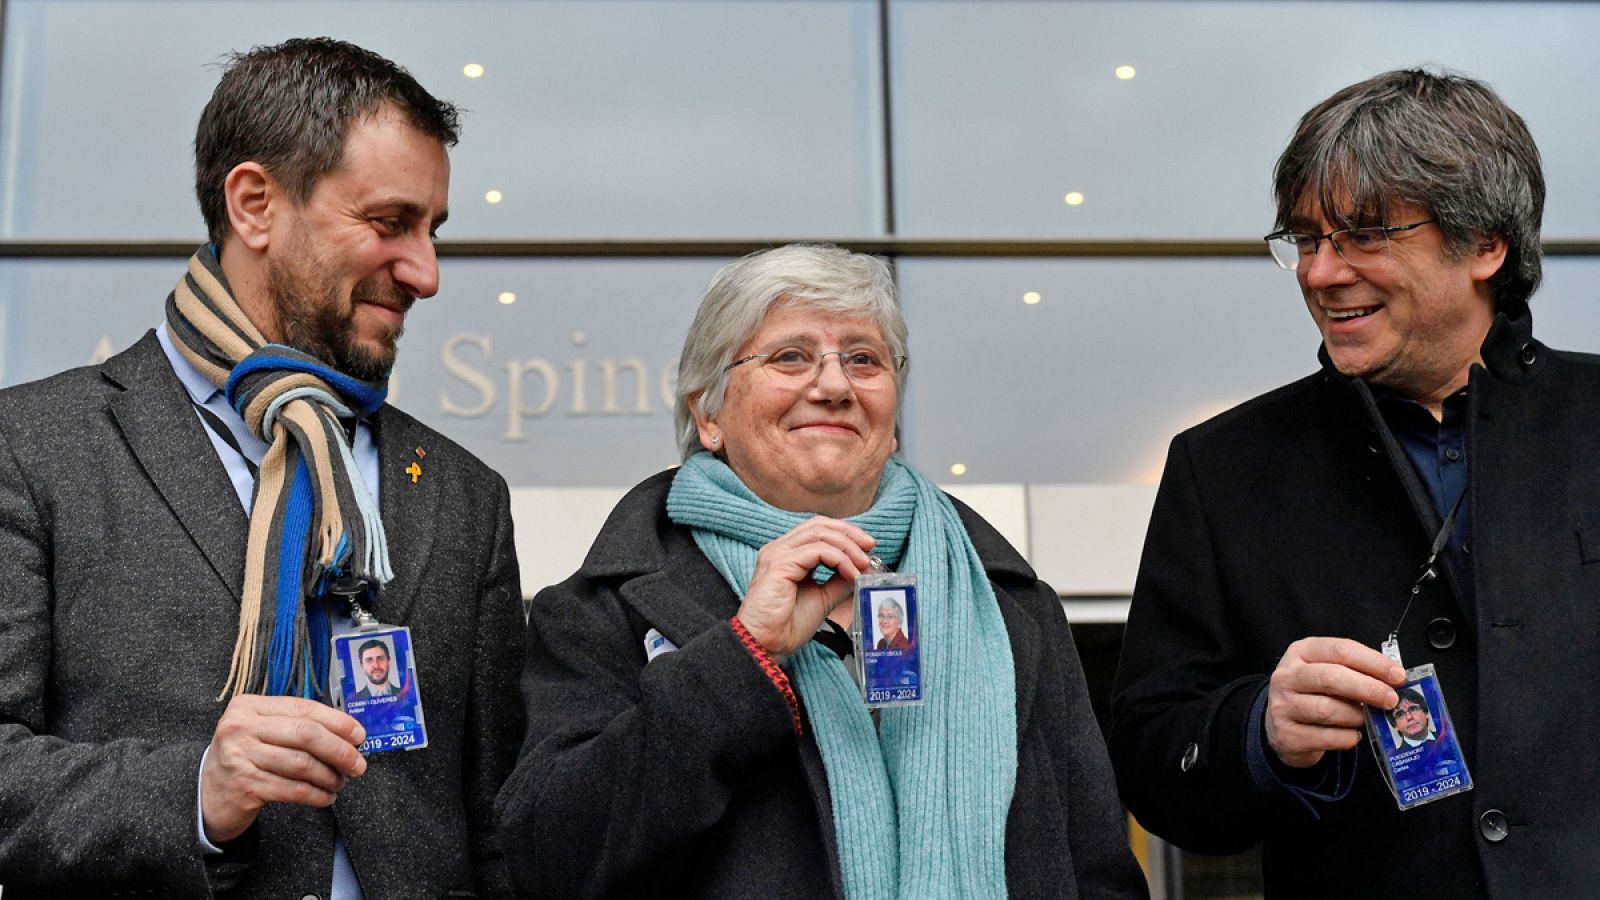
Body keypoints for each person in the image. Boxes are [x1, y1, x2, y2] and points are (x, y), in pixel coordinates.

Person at [0, 38, 524, 897]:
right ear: (253, 204)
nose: (425, 273)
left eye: (433, 231)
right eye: (391, 223)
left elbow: (498, 825)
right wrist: (195, 793)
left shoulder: (466, 495)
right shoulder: (30, 448)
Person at [496, 243, 1148, 898]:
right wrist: (741, 655)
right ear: (708, 414)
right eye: (791, 357)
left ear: (892, 416)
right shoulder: (602, 609)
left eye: (863, 359)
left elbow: (1097, 871)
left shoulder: (1007, 603)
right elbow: (549, 857)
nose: (834, 386)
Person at [1109, 67, 1591, 896]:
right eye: (1305, 238)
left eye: (1364, 235)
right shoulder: (1220, 468)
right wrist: (1261, 730)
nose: (1320, 273)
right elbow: (1152, 761)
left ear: (1485, 245)